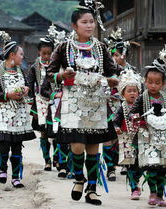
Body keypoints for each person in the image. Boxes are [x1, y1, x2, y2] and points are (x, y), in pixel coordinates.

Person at [46, 0, 121, 205]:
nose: (89, 26)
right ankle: (79, 178)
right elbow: (50, 73)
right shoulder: (63, 48)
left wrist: (113, 78)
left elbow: (112, 70)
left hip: (96, 101)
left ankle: (92, 189)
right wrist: (61, 76)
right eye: (85, 22)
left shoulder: (101, 47)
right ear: (74, 26)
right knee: (77, 145)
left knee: (93, 147)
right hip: (73, 101)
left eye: (92, 22)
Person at [129, 45, 166, 207]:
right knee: (151, 166)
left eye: (157, 82)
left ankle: (160, 195)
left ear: (163, 84)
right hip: (147, 137)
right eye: (150, 82)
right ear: (145, 82)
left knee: (161, 168)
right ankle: (152, 193)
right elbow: (133, 111)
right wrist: (135, 117)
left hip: (164, 138)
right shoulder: (141, 98)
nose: (153, 85)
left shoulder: (165, 99)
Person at [0, 29, 36, 188]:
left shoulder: (21, 71)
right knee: (4, 145)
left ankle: (16, 177)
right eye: (21, 54)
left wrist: (26, 90)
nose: (23, 57)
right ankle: (3, 169)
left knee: (17, 148)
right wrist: (7, 95)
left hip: (19, 114)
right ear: (12, 55)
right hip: (3, 114)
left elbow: (29, 85)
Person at [103, 27, 134, 179]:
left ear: (124, 55)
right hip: (107, 108)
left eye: (116, 55)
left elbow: (135, 91)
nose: (114, 58)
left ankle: (124, 163)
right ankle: (110, 168)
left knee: (122, 137)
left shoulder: (131, 73)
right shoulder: (105, 71)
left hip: (125, 109)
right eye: (112, 55)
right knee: (108, 138)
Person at [113, 69, 144, 200]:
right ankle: (133, 188)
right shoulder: (122, 107)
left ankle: (136, 181)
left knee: (142, 164)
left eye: (135, 91)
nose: (132, 93)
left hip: (141, 138)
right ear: (123, 94)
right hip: (127, 139)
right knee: (131, 164)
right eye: (129, 91)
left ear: (139, 92)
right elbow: (116, 121)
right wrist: (116, 128)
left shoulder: (143, 106)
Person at [28, 34, 57, 172]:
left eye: (49, 53)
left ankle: (57, 159)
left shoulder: (56, 65)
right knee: (44, 132)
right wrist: (31, 102)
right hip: (40, 103)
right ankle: (47, 160)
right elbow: (30, 84)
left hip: (55, 101)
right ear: (39, 52)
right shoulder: (35, 67)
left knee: (56, 132)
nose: (46, 56)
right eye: (44, 53)